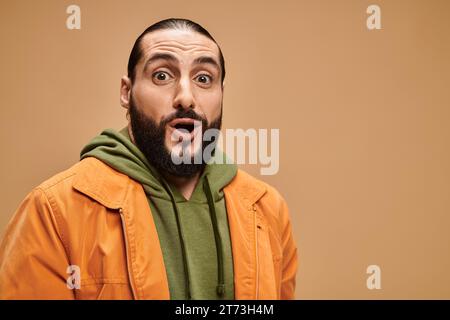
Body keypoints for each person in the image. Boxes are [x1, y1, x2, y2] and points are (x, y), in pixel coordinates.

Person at [0, 18, 298, 300]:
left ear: (221, 94)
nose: (185, 97)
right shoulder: (54, 211)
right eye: (162, 76)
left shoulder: (268, 209)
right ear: (126, 93)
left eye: (204, 78)